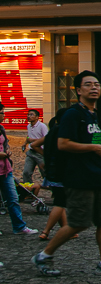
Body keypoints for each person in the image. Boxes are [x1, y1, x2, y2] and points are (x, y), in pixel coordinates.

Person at [32, 72, 101, 277]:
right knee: (79, 222)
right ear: (78, 90)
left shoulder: (95, 114)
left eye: (97, 84)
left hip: (98, 176)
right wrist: (94, 149)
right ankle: (44, 255)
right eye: (88, 85)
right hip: (79, 177)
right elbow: (63, 143)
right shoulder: (73, 114)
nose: (94, 88)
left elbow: (94, 141)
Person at [0, 102, 38, 238]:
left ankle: (19, 226)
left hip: (6, 170)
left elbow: (5, 144)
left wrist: (8, 151)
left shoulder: (1, 128)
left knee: (13, 198)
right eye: (2, 113)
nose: (4, 115)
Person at [33, 109, 69, 242]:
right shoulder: (63, 132)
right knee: (60, 203)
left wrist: (46, 158)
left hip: (51, 172)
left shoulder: (52, 131)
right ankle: (46, 231)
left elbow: (35, 145)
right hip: (61, 172)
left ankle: (66, 229)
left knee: (59, 201)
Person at [22, 109, 48, 183]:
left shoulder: (42, 126)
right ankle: (28, 190)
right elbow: (28, 136)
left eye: (31, 115)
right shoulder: (29, 126)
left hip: (40, 152)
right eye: (28, 114)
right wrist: (25, 142)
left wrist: (33, 140)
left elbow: (46, 139)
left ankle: (52, 188)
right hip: (31, 152)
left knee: (44, 172)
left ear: (37, 117)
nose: (29, 116)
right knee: (26, 172)